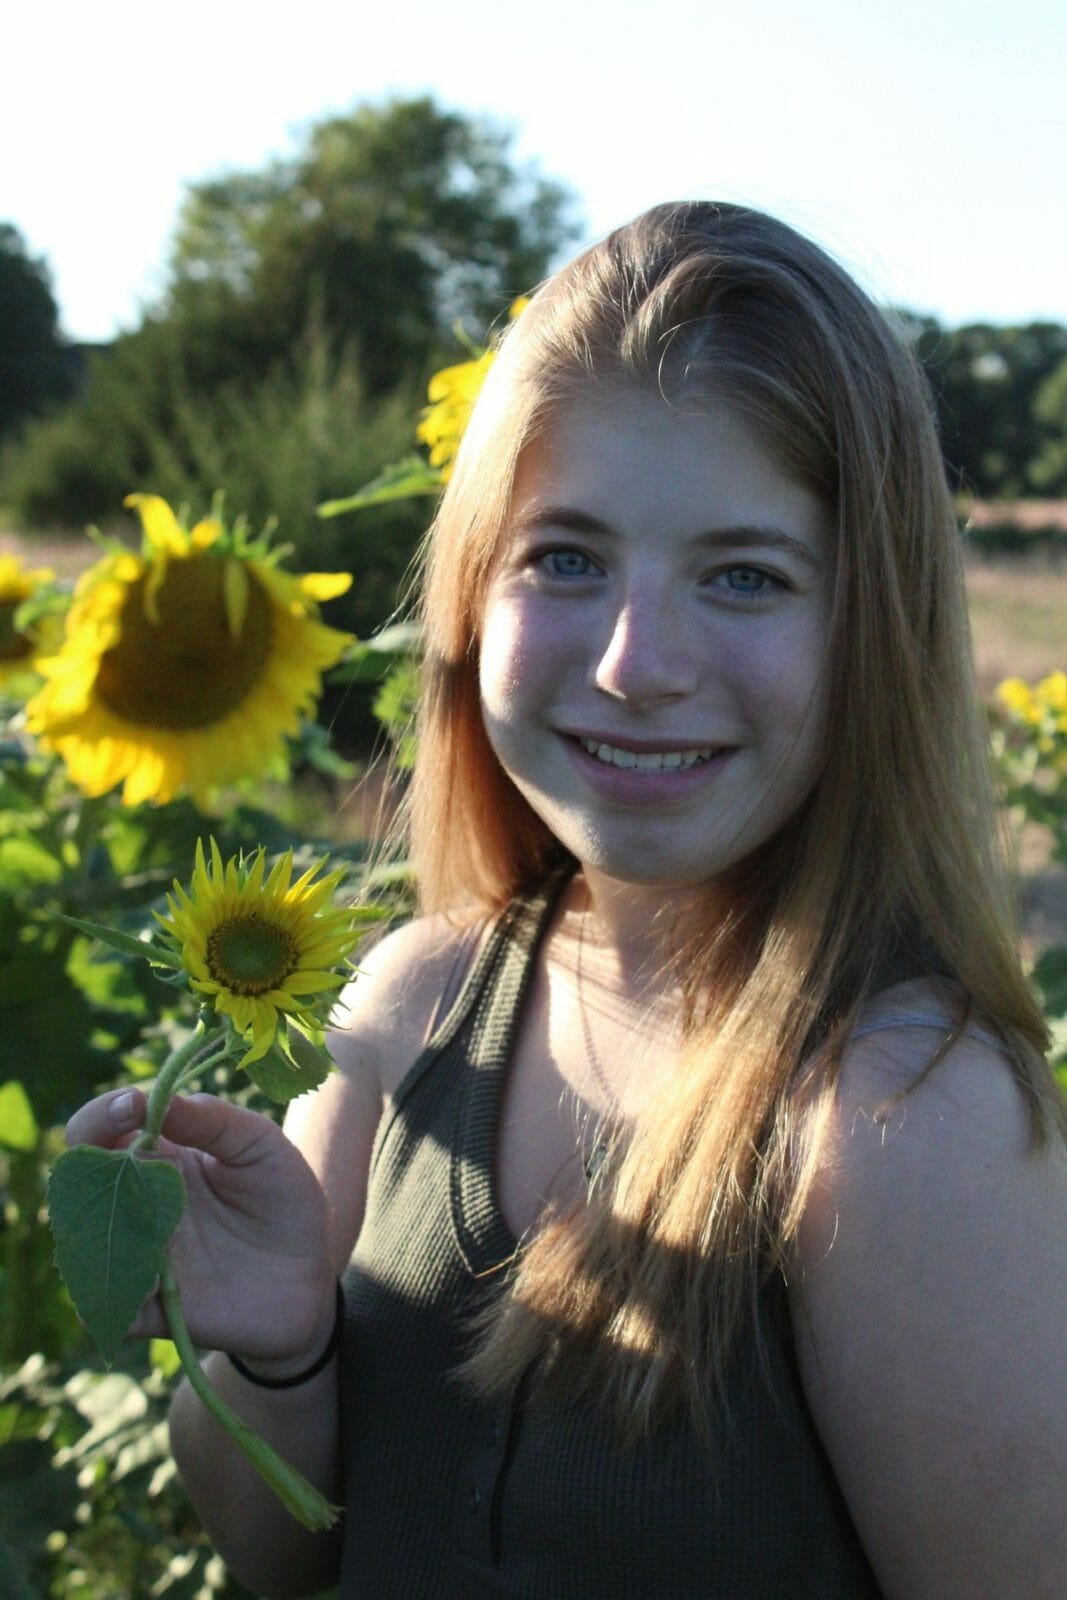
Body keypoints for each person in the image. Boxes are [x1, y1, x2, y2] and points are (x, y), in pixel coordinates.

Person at [66, 201, 1067, 1599]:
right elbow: (280, 1560)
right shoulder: (411, 1007)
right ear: (472, 599)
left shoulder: (902, 1118)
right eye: (568, 559)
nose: (632, 663)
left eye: (743, 574)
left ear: (873, 636)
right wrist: (278, 1349)